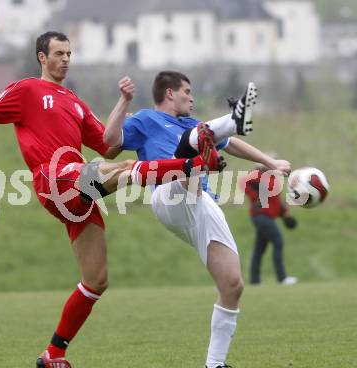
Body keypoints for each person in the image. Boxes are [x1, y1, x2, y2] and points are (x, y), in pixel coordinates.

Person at [0, 33, 222, 368]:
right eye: (59, 53)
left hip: (78, 191)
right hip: (54, 178)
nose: (66, 59)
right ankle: (193, 164)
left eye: (69, 53)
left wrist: (123, 101)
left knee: (96, 280)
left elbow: (108, 145)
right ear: (42, 58)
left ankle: (54, 353)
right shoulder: (27, 89)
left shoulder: (75, 102)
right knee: (125, 169)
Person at [103, 71, 292, 368]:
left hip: (200, 202)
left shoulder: (196, 126)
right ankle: (232, 118)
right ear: (169, 93)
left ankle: (214, 364)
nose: (191, 97)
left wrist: (271, 163)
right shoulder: (147, 119)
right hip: (168, 191)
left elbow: (232, 144)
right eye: (187, 91)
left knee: (233, 284)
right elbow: (110, 139)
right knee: (195, 144)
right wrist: (123, 100)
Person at [239, 164, 298, 285]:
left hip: (266, 217)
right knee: (278, 241)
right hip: (261, 216)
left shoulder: (274, 179)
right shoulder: (260, 176)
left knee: (259, 248)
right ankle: (282, 278)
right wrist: (256, 197)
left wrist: (285, 216)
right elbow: (243, 181)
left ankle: (254, 280)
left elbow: (276, 202)